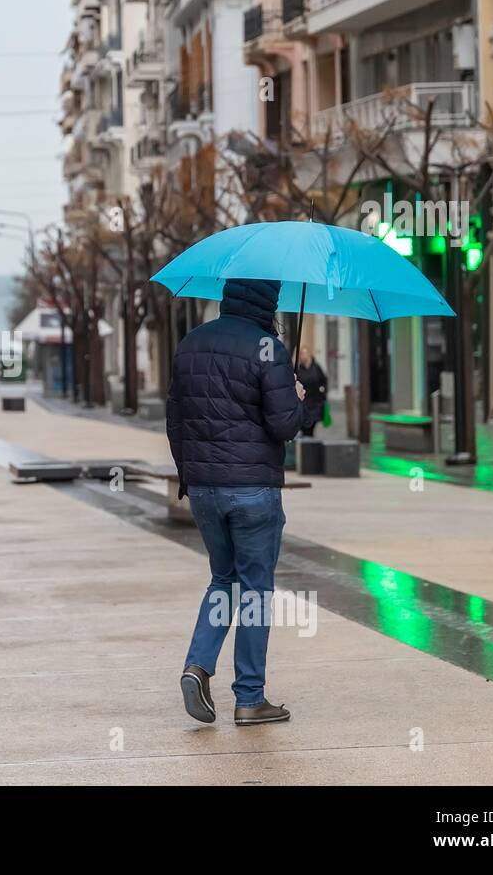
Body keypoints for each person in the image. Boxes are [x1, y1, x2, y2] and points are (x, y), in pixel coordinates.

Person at [166, 278, 311, 727]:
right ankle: (249, 698)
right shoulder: (267, 347)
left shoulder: (191, 342)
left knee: (222, 580)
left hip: (205, 489)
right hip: (253, 490)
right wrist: (299, 398)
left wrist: (190, 476)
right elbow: (284, 425)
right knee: (255, 592)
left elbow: (175, 421)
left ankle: (198, 665)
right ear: (267, 304)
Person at [294, 347, 328, 437]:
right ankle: (306, 443)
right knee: (304, 426)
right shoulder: (298, 369)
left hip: (316, 402)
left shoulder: (316, 368)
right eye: (301, 354)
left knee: (311, 425)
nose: (303, 356)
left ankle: (309, 442)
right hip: (304, 401)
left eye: (305, 353)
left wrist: (323, 392)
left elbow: (324, 380)